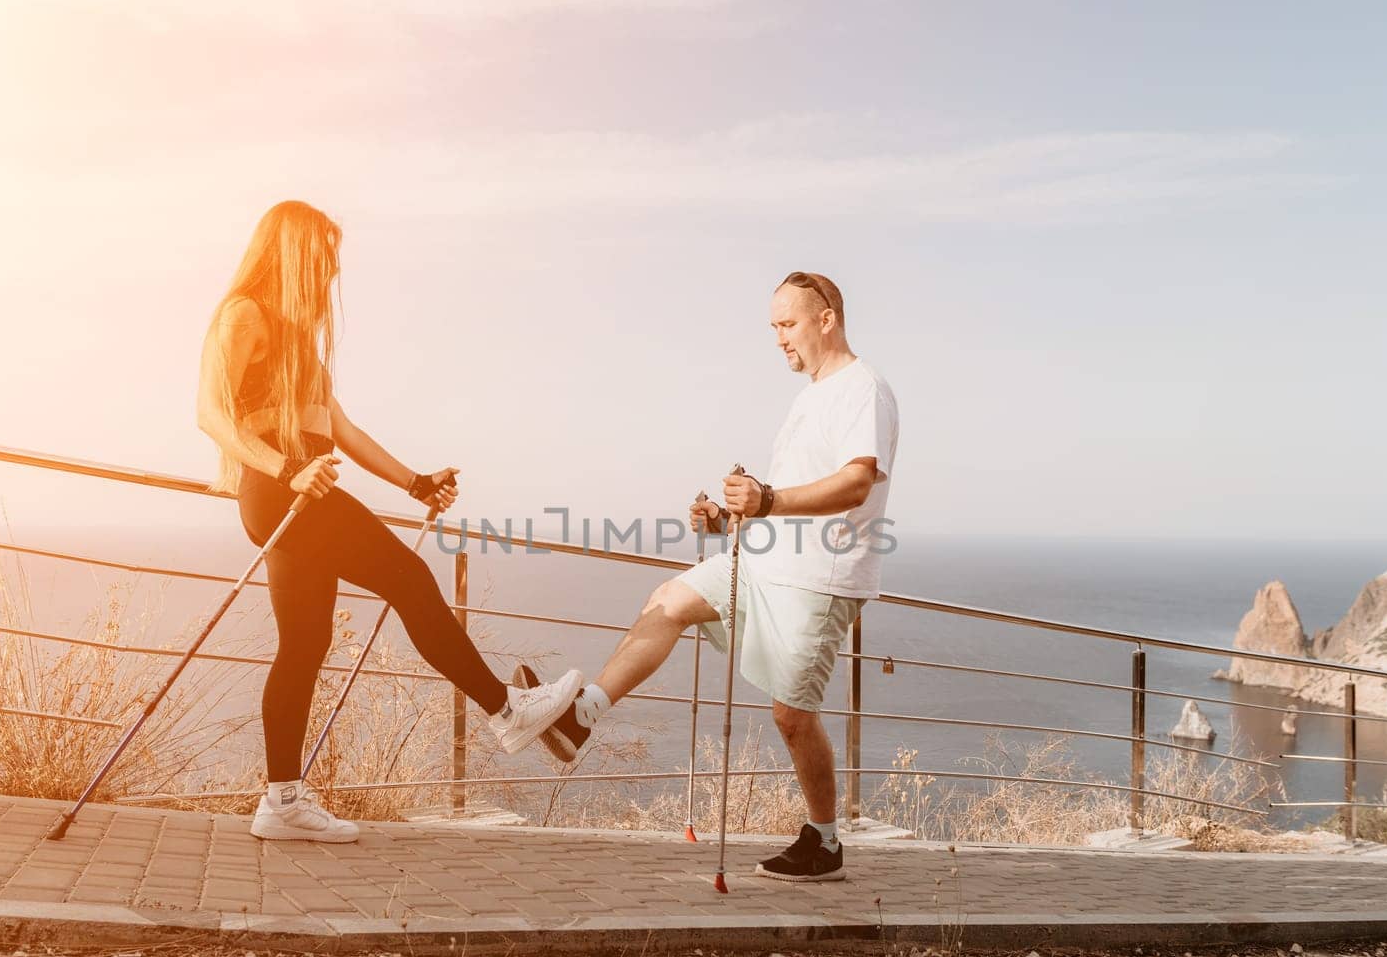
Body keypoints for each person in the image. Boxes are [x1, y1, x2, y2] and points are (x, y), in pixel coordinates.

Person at [196, 200, 583, 844]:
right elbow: (211, 414)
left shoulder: (295, 340)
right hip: (285, 491)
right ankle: (505, 709)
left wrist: (414, 482)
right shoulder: (245, 316)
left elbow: (342, 430)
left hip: (296, 493)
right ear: (291, 252)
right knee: (407, 576)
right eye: (322, 258)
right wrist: (285, 468)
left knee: (304, 646)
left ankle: (281, 801)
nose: (330, 273)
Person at [535, 271, 898, 882]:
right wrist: (732, 516)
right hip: (761, 562)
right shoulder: (809, 395)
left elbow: (858, 480)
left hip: (820, 578)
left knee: (792, 715)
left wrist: (767, 499)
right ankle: (580, 716)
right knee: (669, 599)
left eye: (788, 324)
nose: (779, 339)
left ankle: (826, 842)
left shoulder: (864, 389)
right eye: (774, 328)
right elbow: (783, 499)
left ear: (826, 318)